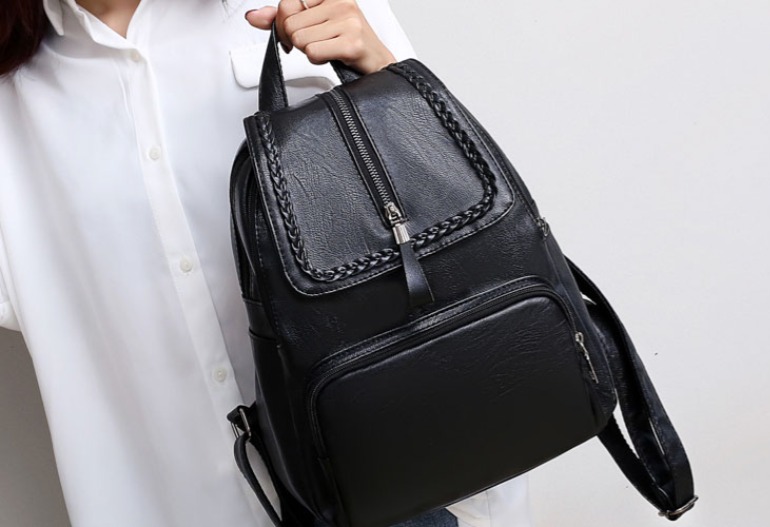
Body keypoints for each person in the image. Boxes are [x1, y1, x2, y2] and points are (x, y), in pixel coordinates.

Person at [0, 1, 532, 526]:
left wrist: (382, 70)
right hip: (188, 503)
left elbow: (452, 202)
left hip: (401, 469)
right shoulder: (12, 91)